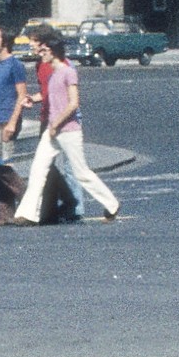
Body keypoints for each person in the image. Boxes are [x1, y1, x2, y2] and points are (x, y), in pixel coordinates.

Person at [17, 26, 122, 225]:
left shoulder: (68, 71)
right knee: (38, 169)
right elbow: (50, 96)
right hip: (52, 130)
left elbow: (73, 103)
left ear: (52, 50)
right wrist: (33, 100)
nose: (40, 53)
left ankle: (112, 204)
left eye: (43, 50)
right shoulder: (51, 73)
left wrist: (56, 123)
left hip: (68, 130)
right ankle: (28, 214)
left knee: (81, 172)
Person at [0, 27, 35, 225]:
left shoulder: (15, 65)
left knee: (1, 165)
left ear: (4, 42)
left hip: (8, 119)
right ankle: (4, 214)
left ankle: (33, 206)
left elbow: (22, 95)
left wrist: (13, 122)